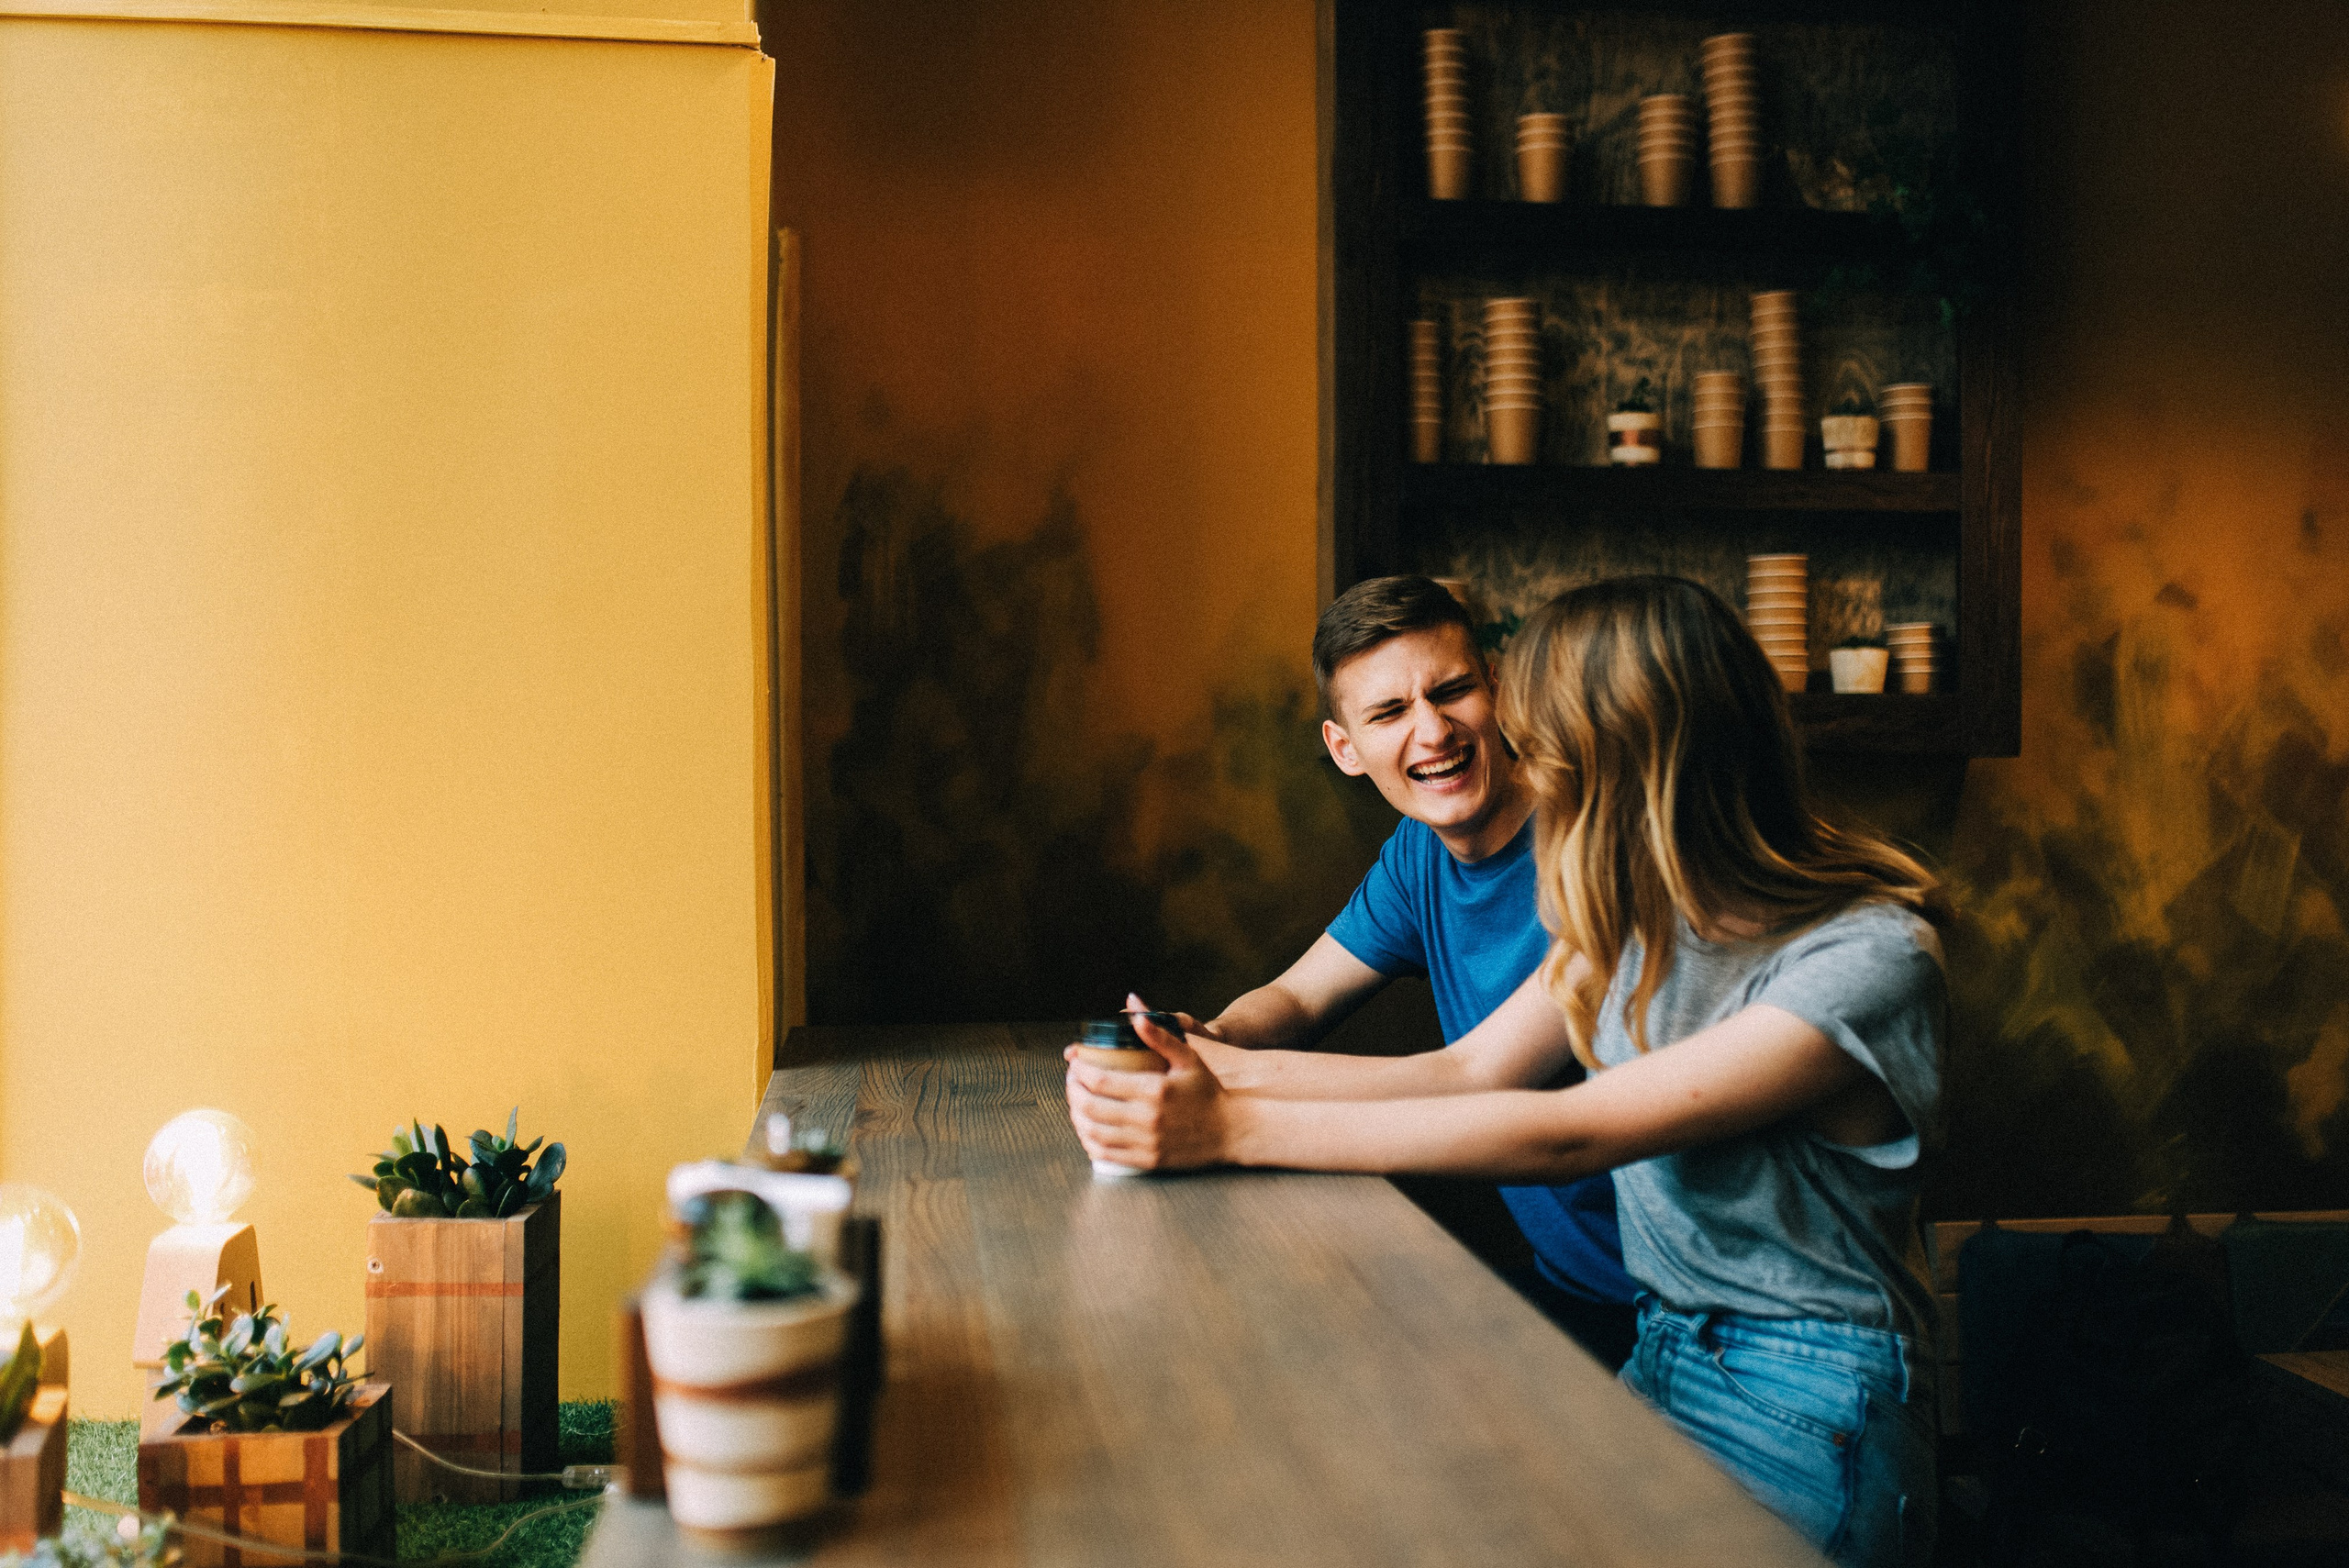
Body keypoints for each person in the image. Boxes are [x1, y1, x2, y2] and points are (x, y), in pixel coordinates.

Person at [1068, 574, 1948, 1568]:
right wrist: (1205, 1066)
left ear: (1633, 756)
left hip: (1809, 1384)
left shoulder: (1866, 959)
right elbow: (1467, 1069)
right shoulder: (1627, 919)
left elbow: (1569, 1129)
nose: (1516, 769)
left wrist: (1225, 1125)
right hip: (1666, 1346)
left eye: (1541, 744)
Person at [1159, 573, 1640, 1364]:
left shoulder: (1592, 839)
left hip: (1664, 1304)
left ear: (1498, 690)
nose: (1434, 730)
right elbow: (1295, 997)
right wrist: (1208, 1033)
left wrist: (1222, 1082)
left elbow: (1479, 1075)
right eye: (1389, 712)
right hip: (1570, 1283)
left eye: (1452, 691)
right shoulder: (1419, 853)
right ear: (1345, 748)